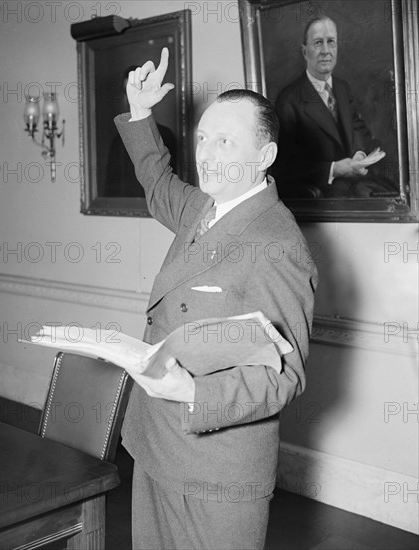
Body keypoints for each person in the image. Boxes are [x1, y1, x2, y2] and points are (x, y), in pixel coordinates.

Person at [114, 47, 317, 550]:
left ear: (263, 156)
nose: (206, 153)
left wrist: (193, 394)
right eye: (203, 138)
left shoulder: (278, 244)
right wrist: (141, 114)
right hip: (156, 442)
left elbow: (284, 375)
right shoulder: (205, 206)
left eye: (225, 141)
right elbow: (159, 184)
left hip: (216, 467)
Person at [273, 15, 393, 198]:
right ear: (305, 52)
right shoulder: (289, 99)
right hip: (323, 193)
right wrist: (335, 169)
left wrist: (359, 157)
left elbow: (360, 133)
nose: (326, 51)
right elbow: (285, 167)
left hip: (357, 183)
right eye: (318, 43)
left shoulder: (342, 88)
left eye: (331, 42)